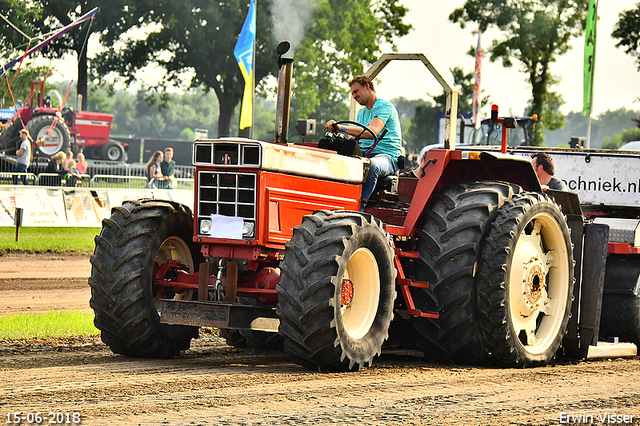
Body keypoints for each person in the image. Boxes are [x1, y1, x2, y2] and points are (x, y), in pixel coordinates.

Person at [324, 75, 402, 210]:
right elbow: (356, 138)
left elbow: (371, 133)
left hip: (386, 157)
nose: (354, 96)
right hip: (365, 153)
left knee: (372, 166)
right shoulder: (362, 113)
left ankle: (358, 207)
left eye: (356, 91)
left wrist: (340, 128)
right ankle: (333, 204)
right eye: (352, 93)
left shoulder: (383, 107)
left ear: (367, 87)